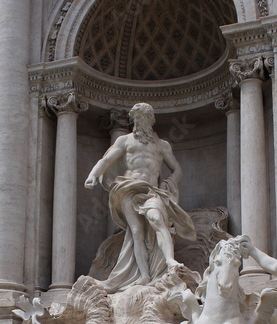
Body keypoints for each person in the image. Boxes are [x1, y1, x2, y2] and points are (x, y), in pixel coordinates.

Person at [84, 102, 196, 292]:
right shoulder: (125, 141)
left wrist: (168, 184)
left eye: (144, 118)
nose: (140, 122)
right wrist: (92, 175)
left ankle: (169, 261)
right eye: (137, 118)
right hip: (128, 188)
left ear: (151, 120)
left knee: (156, 218)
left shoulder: (161, 145)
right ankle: (144, 275)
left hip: (151, 190)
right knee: (136, 231)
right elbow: (106, 160)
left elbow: (177, 169)